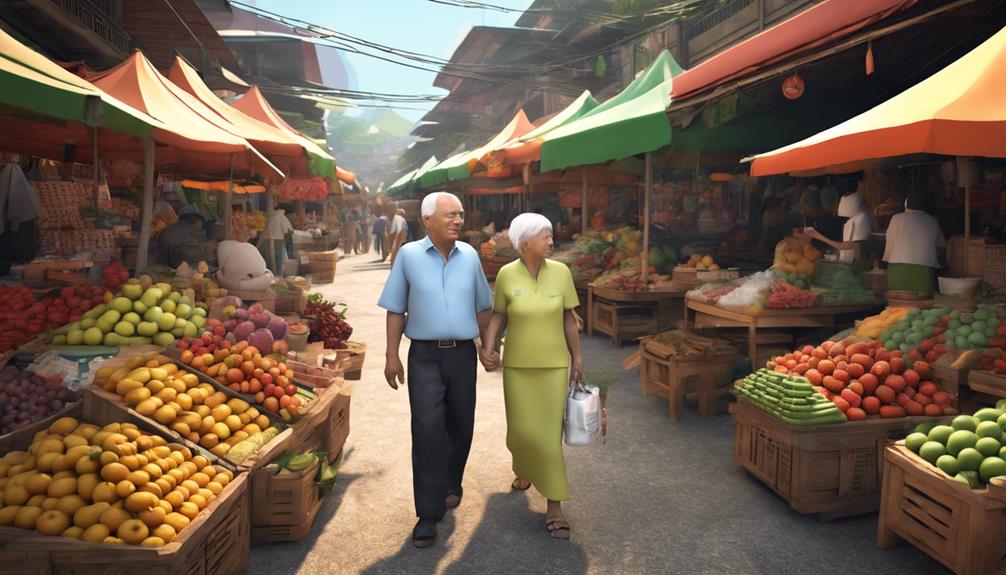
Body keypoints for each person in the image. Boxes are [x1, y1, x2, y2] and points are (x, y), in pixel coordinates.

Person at [377, 191, 494, 549]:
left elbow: (483, 306)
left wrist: (488, 347)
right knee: (427, 429)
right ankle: (427, 514)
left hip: (462, 355)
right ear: (427, 220)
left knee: (462, 424)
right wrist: (391, 355)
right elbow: (396, 308)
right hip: (424, 356)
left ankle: (450, 481)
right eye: (450, 215)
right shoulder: (409, 256)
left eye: (460, 215)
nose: (458, 220)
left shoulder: (470, 256)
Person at [481, 212, 583, 540]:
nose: (552, 240)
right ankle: (523, 467)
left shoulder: (562, 273)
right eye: (545, 236)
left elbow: (569, 319)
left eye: (551, 234)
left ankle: (554, 506)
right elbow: (498, 316)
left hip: (553, 367)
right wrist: (488, 346)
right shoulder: (507, 276)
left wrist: (577, 358)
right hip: (517, 367)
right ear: (525, 243)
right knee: (522, 431)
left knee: (548, 437)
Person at [883, 188, 946, 297]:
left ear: (907, 203)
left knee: (896, 307)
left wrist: (884, 262)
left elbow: (889, 245)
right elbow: (941, 248)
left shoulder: (896, 218)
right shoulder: (932, 221)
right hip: (923, 271)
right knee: (922, 306)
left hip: (898, 269)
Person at [802, 183, 875, 265]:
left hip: (859, 264)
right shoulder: (851, 220)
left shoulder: (863, 219)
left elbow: (848, 246)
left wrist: (817, 235)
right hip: (849, 263)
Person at [257, 205, 293, 276]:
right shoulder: (282, 217)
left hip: (265, 243)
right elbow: (289, 232)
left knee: (268, 264)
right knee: (278, 265)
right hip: (277, 243)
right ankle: (278, 277)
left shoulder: (269, 217)